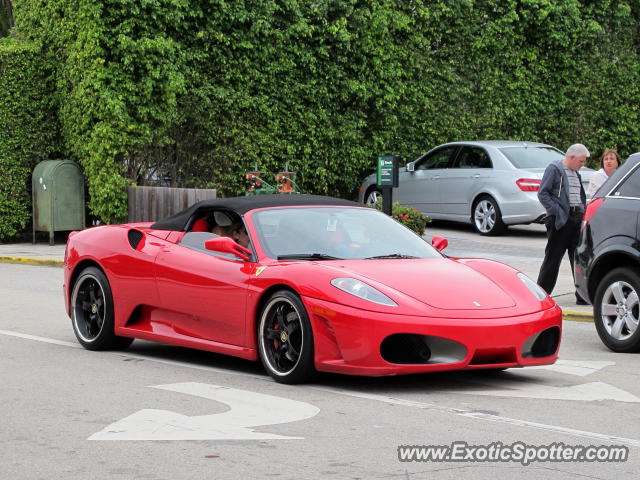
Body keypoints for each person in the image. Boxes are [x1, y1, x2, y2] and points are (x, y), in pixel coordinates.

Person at [537, 143, 589, 304]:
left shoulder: (576, 173)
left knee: (578, 259)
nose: (583, 164)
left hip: (576, 220)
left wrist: (582, 214)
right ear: (571, 157)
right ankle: (541, 296)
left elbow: (580, 197)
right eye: (581, 161)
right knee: (553, 259)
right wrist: (558, 212)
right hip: (560, 222)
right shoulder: (554, 169)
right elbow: (542, 193)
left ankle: (582, 297)